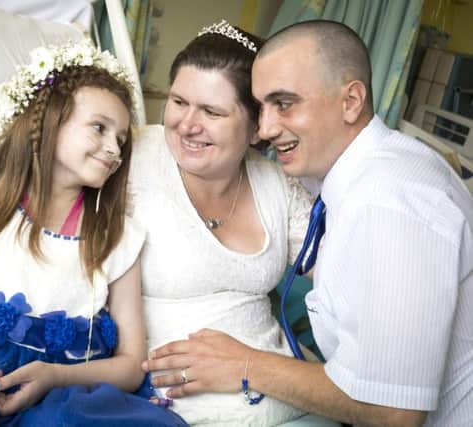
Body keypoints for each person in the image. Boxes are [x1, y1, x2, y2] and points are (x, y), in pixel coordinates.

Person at [145, 20, 473, 427]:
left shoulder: (387, 204)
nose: (265, 129)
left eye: (284, 104)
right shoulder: (363, 179)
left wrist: (246, 364)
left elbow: (394, 411)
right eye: (262, 107)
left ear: (351, 101)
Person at [0, 40, 186, 426]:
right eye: (99, 128)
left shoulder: (117, 238)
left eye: (121, 139)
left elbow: (132, 365)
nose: (114, 148)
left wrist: (56, 375)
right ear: (49, 120)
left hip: (62, 398)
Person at [131, 21, 340, 426]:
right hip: (171, 408)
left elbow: (345, 278)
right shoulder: (131, 156)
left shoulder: (278, 186)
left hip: (285, 395)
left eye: (211, 112)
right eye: (178, 101)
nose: (187, 124)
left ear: (255, 127)